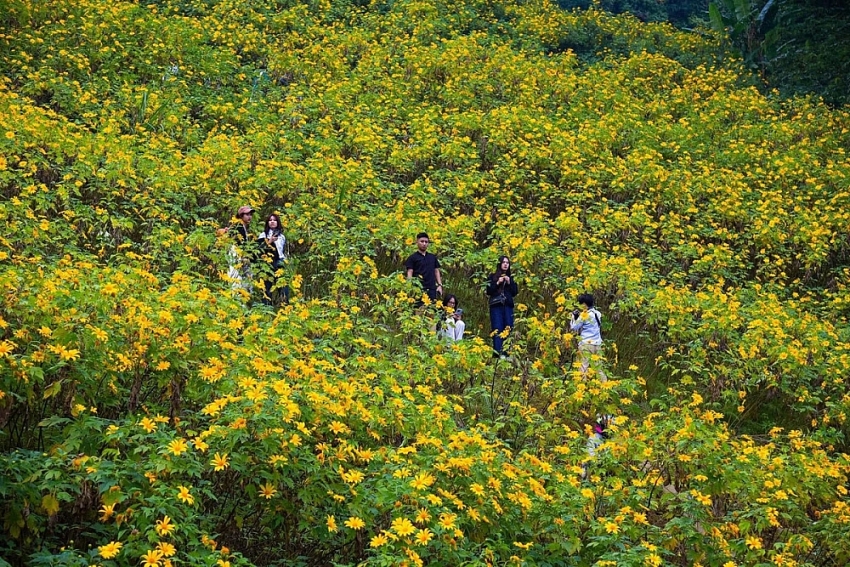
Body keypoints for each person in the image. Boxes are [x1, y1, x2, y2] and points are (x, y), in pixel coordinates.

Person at [486, 256, 518, 357]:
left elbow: (515, 292)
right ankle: (497, 353)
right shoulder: (492, 276)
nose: (505, 264)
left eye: (507, 263)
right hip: (496, 306)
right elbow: (489, 291)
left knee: (508, 327)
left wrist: (509, 282)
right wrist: (497, 282)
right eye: (503, 262)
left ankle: (506, 352)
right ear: (499, 264)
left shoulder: (512, 277)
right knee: (497, 328)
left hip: (507, 306)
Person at [570, 293, 607, 381]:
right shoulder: (598, 313)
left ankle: (582, 386)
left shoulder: (584, 315)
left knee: (583, 367)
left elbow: (574, 327)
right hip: (597, 344)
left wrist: (573, 317)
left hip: (586, 344)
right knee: (598, 368)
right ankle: (604, 386)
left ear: (584, 304)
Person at [257, 213, 289, 305]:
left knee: (283, 285)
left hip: (280, 261)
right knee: (267, 286)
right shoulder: (263, 235)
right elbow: (259, 249)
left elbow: (282, 250)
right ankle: (266, 306)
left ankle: (284, 304)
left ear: (277, 222)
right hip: (267, 262)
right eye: (270, 220)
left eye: (274, 220)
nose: (272, 222)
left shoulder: (282, 236)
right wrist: (270, 241)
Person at [405, 232, 442, 305]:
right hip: (418, 289)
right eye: (422, 241)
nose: (424, 244)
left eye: (426, 242)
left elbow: (436, 271)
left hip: (431, 289)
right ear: (417, 242)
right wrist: (409, 286)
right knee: (419, 311)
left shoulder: (432, 257)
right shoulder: (412, 258)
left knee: (431, 311)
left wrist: (440, 285)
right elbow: (410, 272)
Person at [226, 205, 255, 294]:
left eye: (250, 214)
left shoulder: (242, 226)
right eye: (247, 214)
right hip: (236, 257)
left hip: (238, 257)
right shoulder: (238, 226)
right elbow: (239, 244)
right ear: (241, 215)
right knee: (237, 279)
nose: (249, 217)